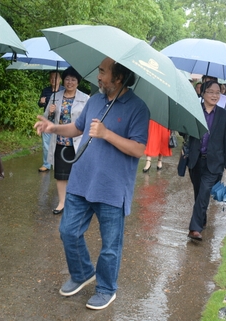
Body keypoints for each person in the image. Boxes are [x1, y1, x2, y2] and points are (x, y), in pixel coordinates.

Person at [34, 57, 149, 310]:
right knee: (68, 231)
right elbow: (77, 128)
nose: (98, 76)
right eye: (99, 70)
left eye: (103, 72)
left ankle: (106, 288)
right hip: (81, 180)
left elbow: (138, 149)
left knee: (110, 246)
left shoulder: (138, 108)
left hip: (112, 187)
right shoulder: (95, 100)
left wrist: (107, 134)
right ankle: (83, 272)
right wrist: (53, 128)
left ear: (119, 78)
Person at [184, 80, 226, 241]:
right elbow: (184, 132)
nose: (215, 95)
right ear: (203, 93)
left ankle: (194, 228)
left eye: (218, 92)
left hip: (215, 162)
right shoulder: (194, 111)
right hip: (195, 160)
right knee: (199, 193)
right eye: (211, 92)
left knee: (205, 192)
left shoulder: (225, 116)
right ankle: (202, 219)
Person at [45, 67, 89, 215]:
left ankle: (78, 203)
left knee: (78, 174)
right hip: (60, 142)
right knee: (61, 174)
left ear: (78, 82)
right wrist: (50, 112)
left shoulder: (85, 99)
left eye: (73, 79)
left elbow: (89, 121)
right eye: (67, 79)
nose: (70, 82)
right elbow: (47, 120)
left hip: (78, 142)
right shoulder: (55, 97)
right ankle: (62, 202)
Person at [38, 71, 63, 172]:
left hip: (60, 121)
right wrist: (42, 102)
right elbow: (40, 104)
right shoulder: (46, 90)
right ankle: (46, 164)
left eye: (56, 78)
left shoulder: (64, 90)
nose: (53, 80)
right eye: (51, 78)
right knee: (46, 143)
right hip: (47, 119)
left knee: (59, 143)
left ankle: (59, 163)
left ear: (60, 79)